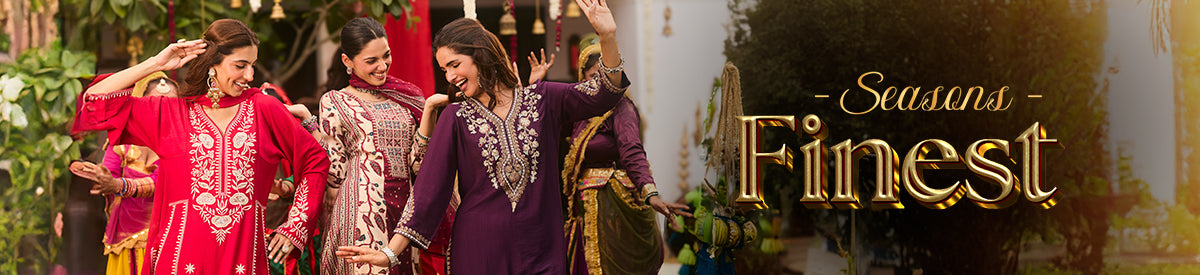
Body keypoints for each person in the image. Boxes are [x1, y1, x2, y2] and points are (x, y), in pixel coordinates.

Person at [335, 0, 629, 273]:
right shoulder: (455, 118)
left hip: (541, 251)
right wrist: (390, 252)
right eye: (443, 69)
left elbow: (604, 95)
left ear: (479, 54)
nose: (449, 77)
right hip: (479, 255)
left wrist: (608, 37)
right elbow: (428, 194)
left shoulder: (543, 100)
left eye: (454, 64)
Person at [71, 19, 329, 274]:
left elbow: (315, 161)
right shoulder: (171, 114)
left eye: (252, 66)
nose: (249, 75)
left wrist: (296, 226)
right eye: (240, 65)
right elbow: (95, 103)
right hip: (179, 261)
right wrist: (156, 64)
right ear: (212, 65)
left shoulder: (264, 109)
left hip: (242, 260)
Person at [284, 17, 453, 275]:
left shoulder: (410, 96)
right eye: (371, 61)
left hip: (408, 212)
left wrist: (429, 109)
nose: (382, 66)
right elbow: (334, 173)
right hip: (361, 213)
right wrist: (309, 122)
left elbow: (421, 163)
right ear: (347, 61)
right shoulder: (336, 101)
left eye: (386, 56)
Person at [527, 37, 692, 274]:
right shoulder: (576, 113)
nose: (598, 82)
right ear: (581, 78)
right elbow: (541, 126)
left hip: (611, 208)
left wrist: (650, 192)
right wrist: (537, 85)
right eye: (592, 76)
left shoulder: (621, 108)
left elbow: (632, 151)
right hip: (581, 209)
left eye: (603, 75)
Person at [67, 73, 178, 275]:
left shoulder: (180, 143)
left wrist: (119, 185)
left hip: (168, 240)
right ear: (140, 104)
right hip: (125, 241)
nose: (163, 110)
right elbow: (108, 173)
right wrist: (98, 175)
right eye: (155, 103)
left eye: (171, 104)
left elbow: (161, 182)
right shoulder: (121, 142)